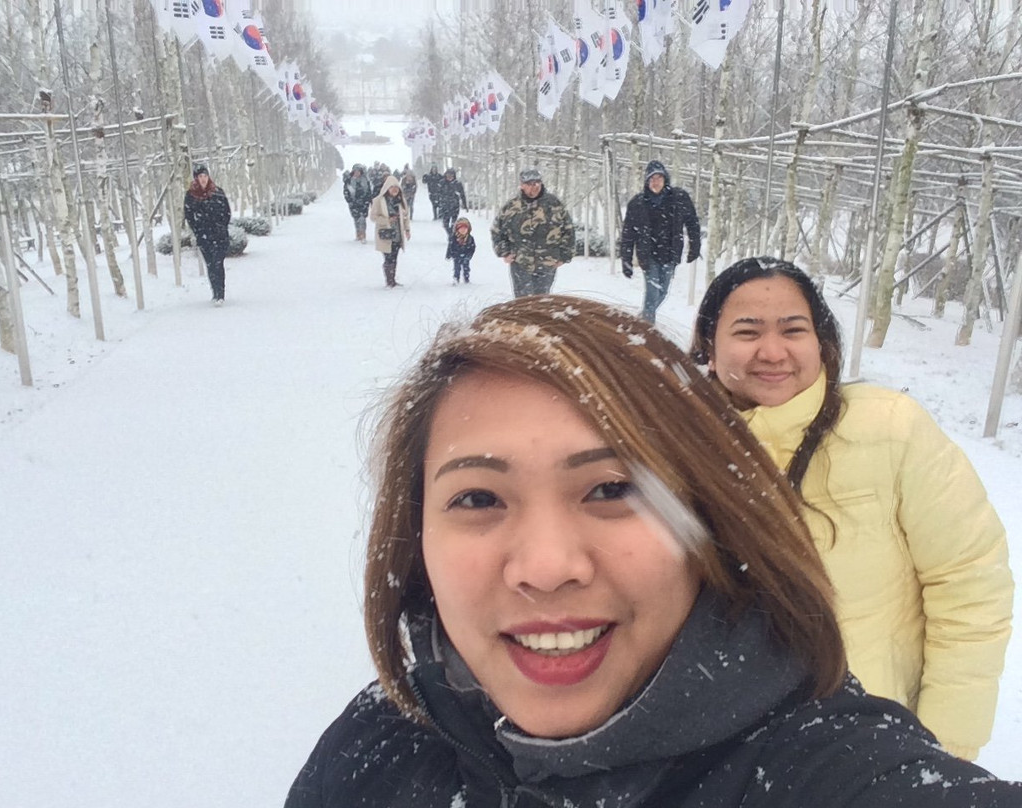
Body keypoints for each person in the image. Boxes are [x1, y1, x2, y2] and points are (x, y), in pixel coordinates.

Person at [284, 295, 1021, 808]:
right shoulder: (376, 746)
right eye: (478, 499)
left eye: (610, 490)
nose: (546, 566)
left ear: (711, 516)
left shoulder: (830, 772)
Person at [689, 257, 1014, 761]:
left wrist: (942, 745)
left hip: (872, 744)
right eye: (747, 331)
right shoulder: (679, 445)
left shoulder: (891, 429)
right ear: (710, 346)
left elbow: (970, 583)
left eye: (793, 330)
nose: (772, 352)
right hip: (723, 750)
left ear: (822, 342)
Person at [620, 159, 701, 323]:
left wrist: (695, 246)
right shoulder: (638, 203)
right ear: (647, 181)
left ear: (665, 180)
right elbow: (628, 234)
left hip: (670, 253)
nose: (655, 182)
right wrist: (626, 260)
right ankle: (647, 328)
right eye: (652, 179)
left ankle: (642, 319)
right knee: (652, 292)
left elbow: (692, 222)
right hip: (648, 254)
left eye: (659, 178)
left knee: (663, 292)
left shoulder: (679, 198)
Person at [490, 167, 575, 297]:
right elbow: (497, 230)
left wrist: (564, 256)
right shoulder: (512, 207)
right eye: (529, 184)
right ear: (522, 185)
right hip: (520, 263)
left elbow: (568, 230)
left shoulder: (554, 204)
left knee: (541, 301)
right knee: (522, 302)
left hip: (547, 262)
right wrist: (504, 252)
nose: (534, 187)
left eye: (536, 183)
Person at [183, 163, 231, 306]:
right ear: (196, 178)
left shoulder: (217, 192)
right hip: (204, 237)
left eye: (205, 176)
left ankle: (220, 293)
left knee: (218, 263)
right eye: (200, 176)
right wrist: (199, 231)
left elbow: (226, 212)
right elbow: (189, 216)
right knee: (210, 265)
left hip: (219, 236)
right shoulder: (191, 196)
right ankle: (214, 292)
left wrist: (221, 227)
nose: (203, 179)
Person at [368, 175, 411, 288]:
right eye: (392, 188)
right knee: (388, 257)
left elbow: (405, 217)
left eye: (396, 188)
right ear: (387, 188)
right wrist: (387, 220)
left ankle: (393, 279)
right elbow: (373, 217)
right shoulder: (378, 201)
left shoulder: (401, 201)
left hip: (397, 233)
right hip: (385, 233)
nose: (394, 190)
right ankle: (389, 280)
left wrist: (407, 230)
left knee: (395, 256)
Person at [342, 163, 372, 242]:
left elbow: (369, 191)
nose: (357, 173)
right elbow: (346, 191)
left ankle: (363, 234)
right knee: (356, 218)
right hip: (353, 203)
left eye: (358, 171)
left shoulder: (365, 180)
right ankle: (358, 233)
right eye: (355, 171)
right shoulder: (349, 181)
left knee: (362, 219)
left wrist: (368, 200)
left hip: (363, 203)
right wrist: (349, 200)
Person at [436, 168, 468, 236]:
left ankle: (452, 233)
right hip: (445, 206)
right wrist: (438, 203)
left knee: (454, 223)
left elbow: (462, 194)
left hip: (454, 206)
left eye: (451, 175)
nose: (450, 177)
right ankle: (450, 234)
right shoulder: (442, 183)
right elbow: (438, 194)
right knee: (445, 224)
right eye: (448, 175)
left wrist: (465, 204)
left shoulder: (457, 184)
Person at [444, 216, 475, 284]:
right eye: (461, 229)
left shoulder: (470, 239)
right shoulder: (454, 238)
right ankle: (456, 277)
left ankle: (466, 277)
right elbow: (450, 246)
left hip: (466, 255)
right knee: (457, 267)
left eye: (465, 229)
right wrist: (449, 254)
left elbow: (472, 248)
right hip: (456, 255)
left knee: (466, 267)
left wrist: (469, 255)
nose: (463, 231)